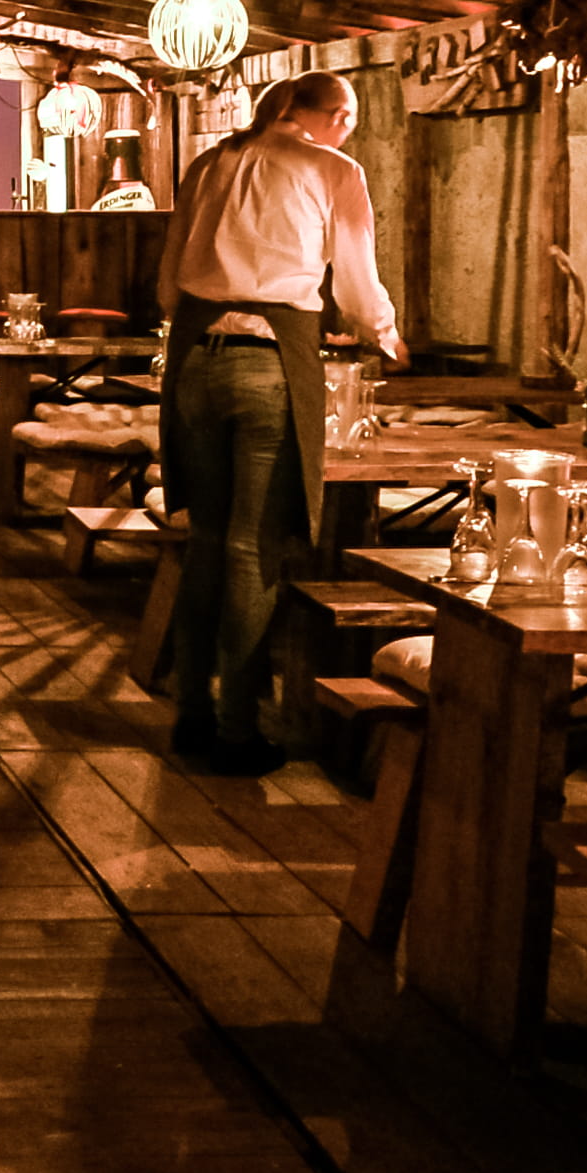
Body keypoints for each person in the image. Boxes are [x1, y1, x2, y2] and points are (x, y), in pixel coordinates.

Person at [156, 71, 404, 773]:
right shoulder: (333, 170)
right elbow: (355, 283)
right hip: (269, 363)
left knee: (205, 539)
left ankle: (191, 717)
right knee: (250, 548)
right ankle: (240, 729)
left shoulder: (209, 162)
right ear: (309, 113)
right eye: (345, 116)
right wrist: (384, 331)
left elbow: (169, 286)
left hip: (193, 366)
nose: (347, 129)